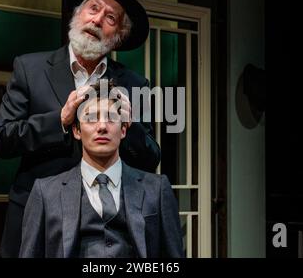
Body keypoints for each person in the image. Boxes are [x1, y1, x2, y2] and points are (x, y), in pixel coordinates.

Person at [0, 0, 161, 258]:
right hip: (37, 219)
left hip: (108, 228)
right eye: (93, 8)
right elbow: (2, 140)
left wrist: (130, 128)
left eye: (110, 18)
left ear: (118, 34)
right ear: (77, 14)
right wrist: (60, 118)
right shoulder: (29, 68)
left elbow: (151, 158)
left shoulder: (135, 85)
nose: (97, 20)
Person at [19, 81, 183, 258]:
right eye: (91, 118)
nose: (102, 126)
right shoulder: (46, 193)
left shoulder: (157, 189)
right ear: (76, 130)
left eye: (111, 118)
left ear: (123, 130)